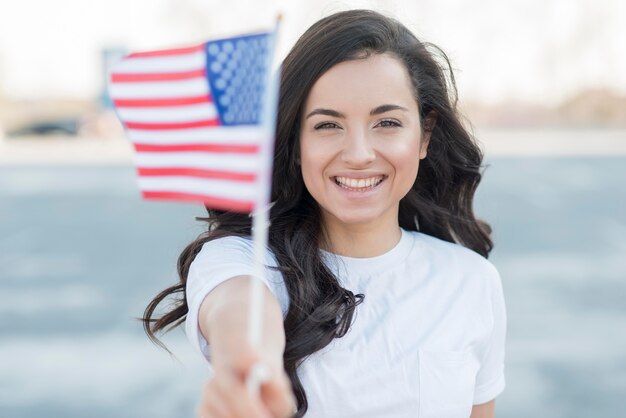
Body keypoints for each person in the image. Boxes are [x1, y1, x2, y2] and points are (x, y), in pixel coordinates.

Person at [143, 9, 506, 418]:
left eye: (386, 122)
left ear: (425, 135)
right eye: (327, 126)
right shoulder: (242, 260)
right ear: (295, 142)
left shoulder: (471, 281)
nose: (358, 154)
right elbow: (239, 312)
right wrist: (246, 365)